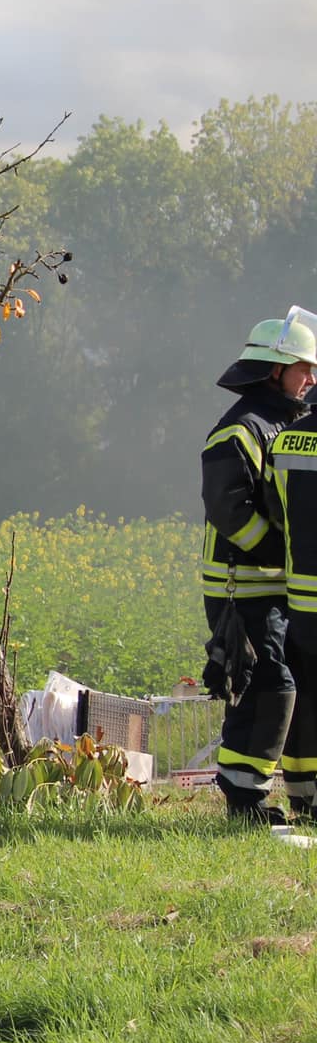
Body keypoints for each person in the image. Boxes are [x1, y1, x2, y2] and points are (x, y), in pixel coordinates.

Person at [203, 313, 316, 823]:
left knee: (292, 683)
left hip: (278, 587)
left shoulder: (286, 425)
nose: (311, 379)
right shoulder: (240, 429)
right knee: (267, 684)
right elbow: (231, 511)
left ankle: (302, 793)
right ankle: (243, 798)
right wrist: (282, 552)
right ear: (275, 371)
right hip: (242, 587)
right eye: (303, 369)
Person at [272, 384, 317, 815]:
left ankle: (303, 796)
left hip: (300, 600)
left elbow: (272, 506)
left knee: (305, 696)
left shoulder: (287, 439)